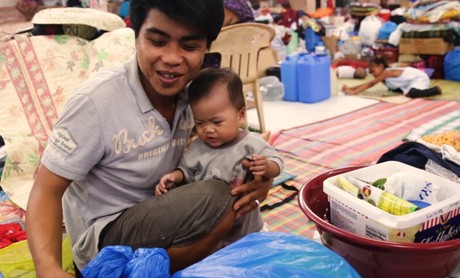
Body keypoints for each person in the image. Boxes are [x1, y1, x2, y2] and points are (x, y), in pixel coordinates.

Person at [25, 0, 273, 276]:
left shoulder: (197, 94)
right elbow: (46, 189)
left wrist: (260, 179)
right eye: (157, 41)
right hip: (109, 234)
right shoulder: (96, 101)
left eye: (189, 46)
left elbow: (236, 141)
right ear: (136, 36)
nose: (172, 58)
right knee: (218, 199)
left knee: (234, 200)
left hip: (171, 215)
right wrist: (48, 268)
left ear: (207, 48)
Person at [155, 68, 283, 246]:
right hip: (207, 227)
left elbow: (278, 164)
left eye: (217, 122)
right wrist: (174, 176)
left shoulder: (250, 143)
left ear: (241, 116)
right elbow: (188, 171)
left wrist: (267, 167)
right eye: (200, 123)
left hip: (244, 229)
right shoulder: (197, 146)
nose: (208, 129)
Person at [341, 56, 442, 98]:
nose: (372, 73)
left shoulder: (386, 72)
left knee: (412, 93)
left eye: (373, 69)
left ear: (381, 66)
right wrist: (350, 88)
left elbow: (370, 84)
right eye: (370, 71)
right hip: (409, 83)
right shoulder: (383, 76)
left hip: (418, 78)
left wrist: (354, 92)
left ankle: (436, 89)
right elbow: (366, 84)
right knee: (403, 92)